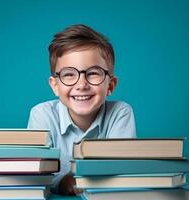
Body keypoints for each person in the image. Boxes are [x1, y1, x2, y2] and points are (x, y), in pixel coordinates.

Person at [27, 24, 136, 195]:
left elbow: (122, 169)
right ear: (55, 85)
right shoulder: (42, 114)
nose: (81, 85)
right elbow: (36, 174)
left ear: (111, 85)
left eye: (93, 73)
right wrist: (64, 182)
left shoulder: (120, 113)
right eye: (69, 74)